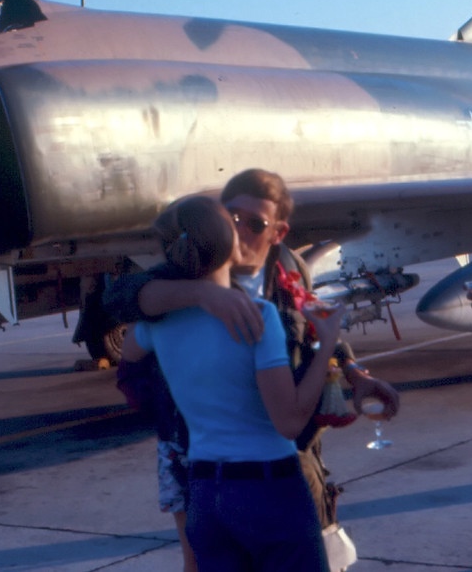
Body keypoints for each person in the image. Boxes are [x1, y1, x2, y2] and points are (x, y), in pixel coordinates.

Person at [105, 168, 399, 560]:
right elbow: (121, 300)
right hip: (218, 463)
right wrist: (203, 295)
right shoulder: (187, 271)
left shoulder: (289, 270)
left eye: (254, 223)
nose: (240, 229)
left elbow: (310, 326)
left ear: (278, 232)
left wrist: (353, 371)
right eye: (233, 218)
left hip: (273, 462)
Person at [121, 196, 344, 571]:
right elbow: (289, 422)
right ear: (229, 243)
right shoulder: (259, 316)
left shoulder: (155, 325)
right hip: (270, 490)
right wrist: (326, 346)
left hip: (205, 494)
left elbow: (130, 353)